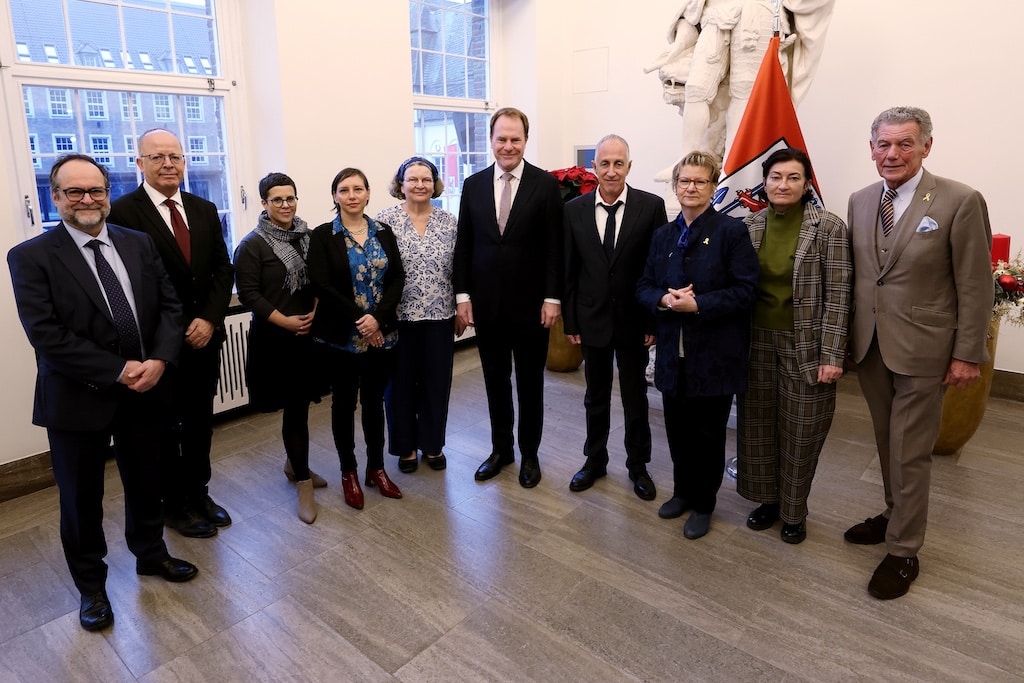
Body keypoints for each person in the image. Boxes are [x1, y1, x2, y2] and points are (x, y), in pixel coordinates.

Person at [7, 154, 198, 632]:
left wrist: (160, 360)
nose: (88, 199)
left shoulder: (139, 243)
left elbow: (171, 307)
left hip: (147, 390)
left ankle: (151, 555)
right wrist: (118, 370)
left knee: (147, 481)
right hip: (77, 398)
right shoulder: (30, 257)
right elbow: (46, 335)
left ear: (108, 194)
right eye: (75, 192)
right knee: (80, 499)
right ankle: (91, 587)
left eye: (96, 190)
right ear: (56, 198)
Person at [845, 106, 992, 599]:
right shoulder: (861, 201)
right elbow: (866, 277)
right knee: (889, 443)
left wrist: (968, 354)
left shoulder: (959, 200)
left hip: (926, 350)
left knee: (911, 450)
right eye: (883, 144)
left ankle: (904, 549)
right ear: (871, 149)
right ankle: (893, 513)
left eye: (905, 144)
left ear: (927, 146)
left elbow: (975, 284)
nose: (892, 154)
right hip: (871, 346)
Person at [108, 128, 234, 539]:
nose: (168, 164)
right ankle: (173, 505)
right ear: (139, 163)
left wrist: (211, 319)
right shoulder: (123, 212)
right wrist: (178, 328)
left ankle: (199, 493)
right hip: (158, 345)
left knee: (200, 422)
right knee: (165, 429)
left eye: (175, 156)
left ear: (185, 162)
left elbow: (222, 269)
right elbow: (128, 284)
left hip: (205, 339)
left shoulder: (204, 208)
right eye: (158, 156)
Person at [636, 151, 758, 539]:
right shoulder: (663, 236)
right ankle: (683, 492)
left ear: (712, 186)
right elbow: (643, 286)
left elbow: (746, 291)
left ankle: (705, 503)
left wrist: (698, 304)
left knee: (708, 434)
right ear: (675, 187)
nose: (691, 187)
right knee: (676, 429)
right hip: (673, 354)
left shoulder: (731, 232)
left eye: (699, 181)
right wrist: (664, 300)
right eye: (684, 181)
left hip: (715, 355)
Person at [736, 147, 851, 544]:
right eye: (775, 177)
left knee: (801, 431)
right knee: (758, 427)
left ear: (806, 185)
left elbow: (839, 295)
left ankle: (794, 511)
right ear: (764, 182)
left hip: (808, 345)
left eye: (793, 178)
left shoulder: (829, 228)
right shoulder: (749, 225)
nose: (783, 185)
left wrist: (832, 354)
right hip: (756, 343)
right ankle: (767, 501)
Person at [453, 107, 564, 488]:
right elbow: (464, 244)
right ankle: (502, 450)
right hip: (487, 305)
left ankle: (530, 453)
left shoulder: (546, 185)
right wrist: (463, 295)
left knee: (530, 383)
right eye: (501, 138)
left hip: (532, 306)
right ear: (491, 140)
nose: (508, 145)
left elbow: (554, 247)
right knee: (494, 380)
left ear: (525, 141)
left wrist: (553, 297)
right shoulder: (473, 184)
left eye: (515, 139)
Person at [563, 134, 667, 500]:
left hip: (634, 321)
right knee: (595, 395)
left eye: (618, 163)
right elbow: (570, 271)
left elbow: (657, 269)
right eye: (604, 163)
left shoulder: (651, 206)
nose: (611, 170)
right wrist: (571, 322)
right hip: (591, 320)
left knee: (635, 396)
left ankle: (638, 466)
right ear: (594, 168)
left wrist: (654, 320)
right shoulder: (574, 210)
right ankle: (594, 461)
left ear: (629, 166)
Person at [308, 168, 405, 510]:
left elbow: (397, 279)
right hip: (342, 338)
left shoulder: (384, 231)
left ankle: (376, 468)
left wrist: (377, 319)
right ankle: (348, 471)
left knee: (375, 402)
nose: (352, 195)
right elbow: (322, 285)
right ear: (335, 196)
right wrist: (361, 320)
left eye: (358, 189)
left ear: (368, 193)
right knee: (344, 405)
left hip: (381, 336)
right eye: (344, 189)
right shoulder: (322, 236)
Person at [234, 172, 327, 524]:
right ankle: (303, 481)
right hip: (275, 340)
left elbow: (320, 277)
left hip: (308, 337)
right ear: (263, 203)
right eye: (277, 200)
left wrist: (316, 310)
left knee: (302, 408)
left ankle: (294, 464)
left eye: (290, 198)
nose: (285, 205)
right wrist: (284, 321)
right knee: (293, 409)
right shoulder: (252, 244)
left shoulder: (310, 236)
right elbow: (248, 294)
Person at [376, 157, 462, 473]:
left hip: (440, 315)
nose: (419, 185)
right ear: (401, 185)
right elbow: (377, 273)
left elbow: (459, 269)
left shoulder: (449, 222)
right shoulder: (384, 222)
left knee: (436, 384)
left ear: (435, 184)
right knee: (398, 386)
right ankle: (405, 447)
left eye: (426, 179)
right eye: (412, 179)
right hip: (398, 318)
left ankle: (432, 445)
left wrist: (461, 306)